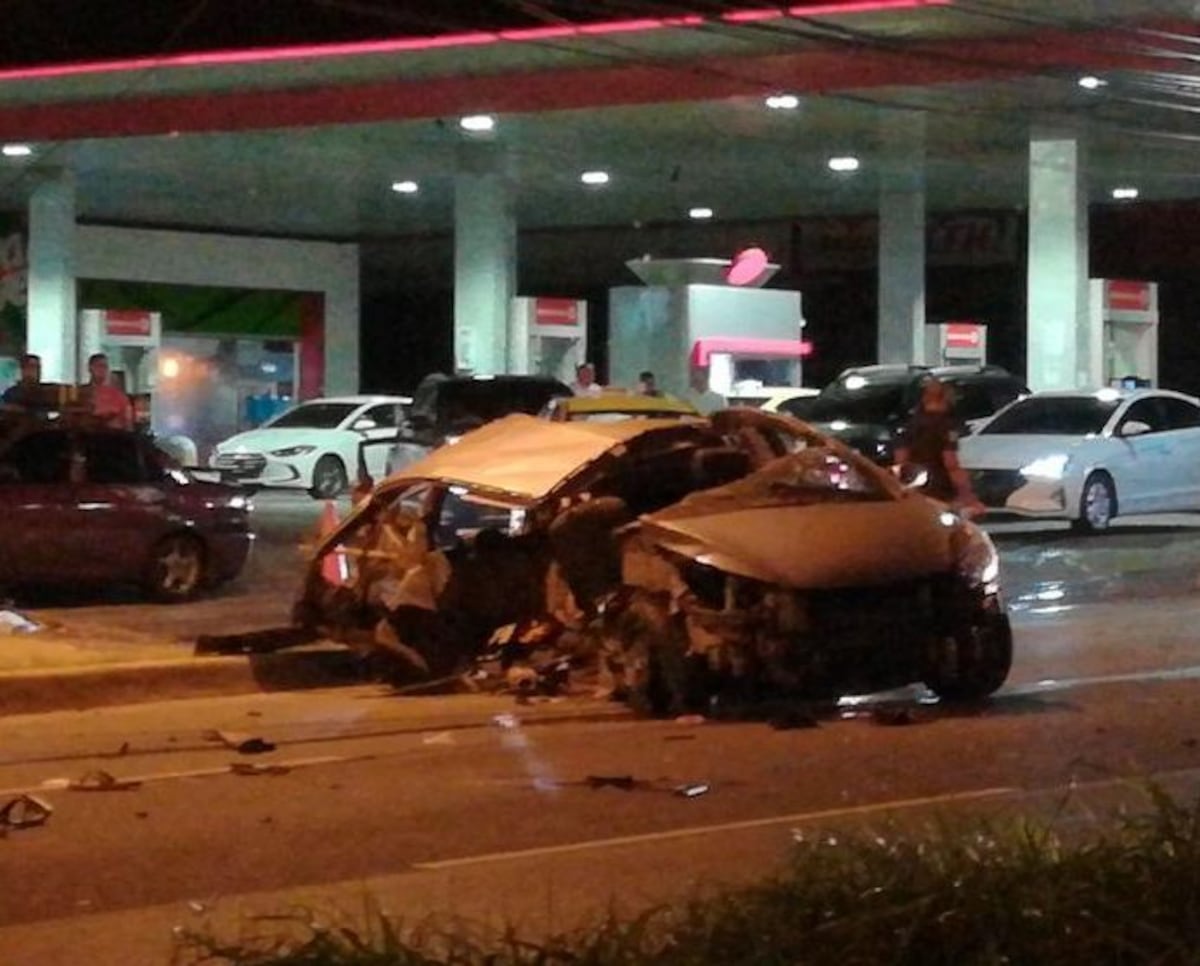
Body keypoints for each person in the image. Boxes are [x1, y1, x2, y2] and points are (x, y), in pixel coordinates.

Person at [893, 376, 985, 517]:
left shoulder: (908, 426)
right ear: (945, 398)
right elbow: (950, 463)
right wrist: (967, 494)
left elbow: (900, 461)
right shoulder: (946, 427)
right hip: (940, 490)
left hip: (916, 491)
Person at [83, 352, 134, 429]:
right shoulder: (81, 393)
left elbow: (128, 424)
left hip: (113, 437)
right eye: (99, 366)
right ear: (90, 368)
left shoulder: (119, 396)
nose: (102, 370)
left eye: (105, 367)